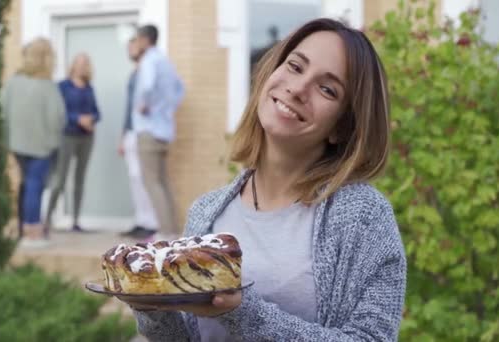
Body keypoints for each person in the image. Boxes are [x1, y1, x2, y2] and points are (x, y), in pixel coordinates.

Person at [130, 18, 406, 341]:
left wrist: (243, 313)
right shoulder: (206, 213)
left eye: (327, 89)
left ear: (341, 127)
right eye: (295, 66)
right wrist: (149, 306)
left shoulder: (364, 217)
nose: (298, 88)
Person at [0, 38, 65, 246]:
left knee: (26, 184)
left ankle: (22, 230)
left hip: (17, 144)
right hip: (42, 146)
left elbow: (1, 110)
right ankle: (32, 233)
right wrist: (54, 142)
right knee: (35, 185)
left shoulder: (13, 82)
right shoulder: (48, 86)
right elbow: (58, 117)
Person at [133, 25, 185, 241]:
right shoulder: (165, 61)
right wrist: (167, 109)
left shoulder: (149, 61)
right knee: (162, 181)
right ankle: (173, 230)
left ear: (145, 40)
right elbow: (180, 89)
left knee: (152, 182)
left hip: (148, 129)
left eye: (137, 39)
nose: (136, 43)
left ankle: (165, 233)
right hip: (164, 129)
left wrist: (145, 104)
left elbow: (146, 86)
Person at [45, 53, 101, 234]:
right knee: (60, 179)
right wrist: (77, 119)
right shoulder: (62, 86)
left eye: (86, 63)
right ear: (73, 65)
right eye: (79, 62)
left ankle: (75, 221)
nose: (82, 66)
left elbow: (97, 112)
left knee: (80, 179)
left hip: (86, 138)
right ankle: (47, 219)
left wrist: (91, 119)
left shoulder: (89, 88)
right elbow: (58, 112)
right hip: (67, 136)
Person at [119, 37, 159, 240]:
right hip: (131, 132)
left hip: (144, 132)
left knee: (144, 177)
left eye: (132, 45)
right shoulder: (135, 72)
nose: (130, 49)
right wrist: (123, 136)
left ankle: (151, 222)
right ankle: (141, 220)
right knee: (135, 177)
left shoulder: (149, 70)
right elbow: (128, 108)